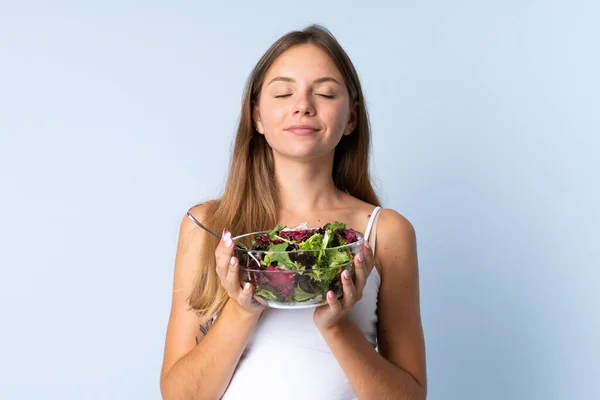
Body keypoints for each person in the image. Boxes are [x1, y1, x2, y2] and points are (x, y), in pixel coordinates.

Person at [159, 24, 427, 400]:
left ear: (351, 118)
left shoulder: (385, 232)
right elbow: (180, 396)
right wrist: (242, 309)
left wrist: (336, 325)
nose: (303, 105)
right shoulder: (206, 227)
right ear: (256, 117)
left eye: (326, 92)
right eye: (284, 93)